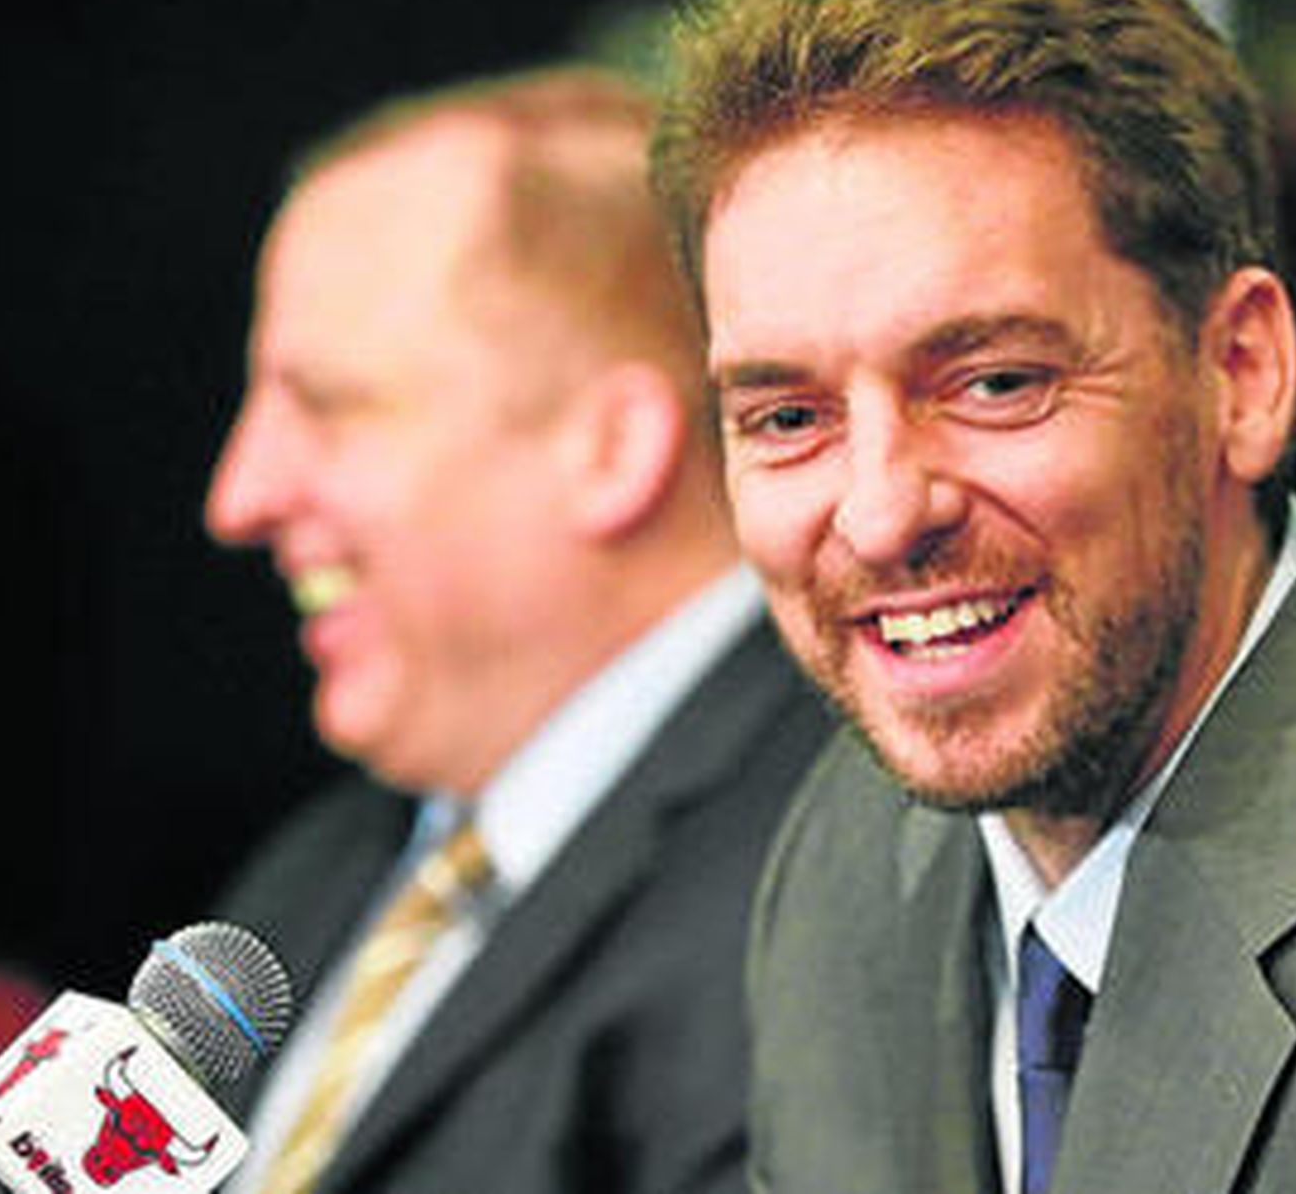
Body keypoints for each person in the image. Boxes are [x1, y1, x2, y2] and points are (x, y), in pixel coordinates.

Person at [649, 0, 1296, 1194]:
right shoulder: (848, 852)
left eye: (994, 383)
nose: (881, 512)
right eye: (789, 418)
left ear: (1240, 373)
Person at [204, 67, 832, 1194]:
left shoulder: (828, 870)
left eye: (330, 407)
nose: (239, 497)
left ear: (611, 450)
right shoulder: (316, 872)